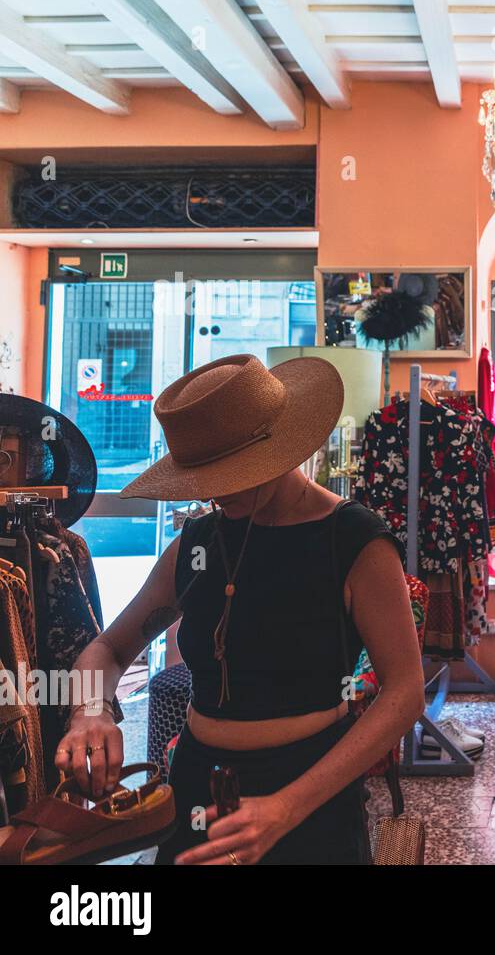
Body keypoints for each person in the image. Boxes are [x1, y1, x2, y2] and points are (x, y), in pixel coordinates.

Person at [53, 354, 424, 864]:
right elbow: (110, 649)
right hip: (198, 785)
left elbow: (404, 693)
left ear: (277, 449)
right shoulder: (197, 545)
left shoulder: (354, 541)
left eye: (230, 473)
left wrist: (287, 806)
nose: (215, 493)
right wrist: (89, 713)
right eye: (203, 477)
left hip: (310, 790)